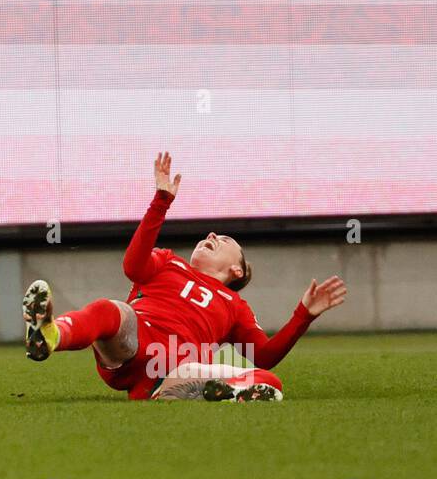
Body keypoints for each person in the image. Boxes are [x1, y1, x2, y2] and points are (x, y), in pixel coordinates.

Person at [23, 152, 347, 401]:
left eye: (226, 241)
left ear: (236, 270)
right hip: (135, 343)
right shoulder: (168, 262)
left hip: (178, 365)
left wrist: (303, 314)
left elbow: (264, 355)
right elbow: (132, 267)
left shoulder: (235, 305)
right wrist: (160, 202)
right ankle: (51, 335)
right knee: (111, 310)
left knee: (269, 381)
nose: (213, 234)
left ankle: (170, 390)